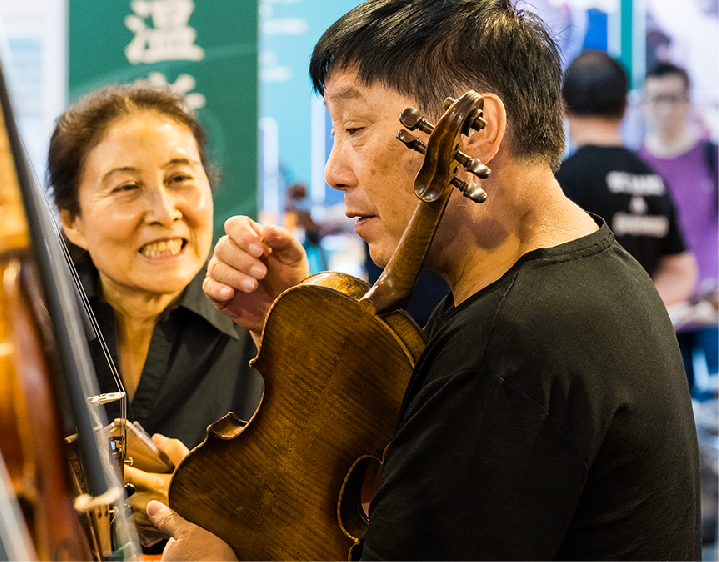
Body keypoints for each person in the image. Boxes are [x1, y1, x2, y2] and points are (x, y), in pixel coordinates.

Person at [146, 0, 702, 559]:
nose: (334, 171)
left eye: (355, 128)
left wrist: (219, 550)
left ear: (476, 128)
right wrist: (294, 331)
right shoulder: (586, 274)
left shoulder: (514, 340)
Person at [45, 85, 263, 544]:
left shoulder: (266, 331)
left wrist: (202, 511)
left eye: (180, 178)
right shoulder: (26, 336)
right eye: (126, 187)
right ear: (72, 221)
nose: (165, 212)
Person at [557, 49, 697, 307]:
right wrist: (638, 306)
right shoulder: (653, 180)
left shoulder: (562, 181)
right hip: (643, 340)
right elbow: (681, 270)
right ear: (625, 107)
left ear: (564, 107)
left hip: (584, 336)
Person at [639, 61, 719, 395]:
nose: (666, 109)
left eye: (673, 98)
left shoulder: (711, 157)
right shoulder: (637, 165)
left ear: (688, 101)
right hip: (663, 311)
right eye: (657, 99)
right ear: (644, 105)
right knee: (674, 408)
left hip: (712, 308)